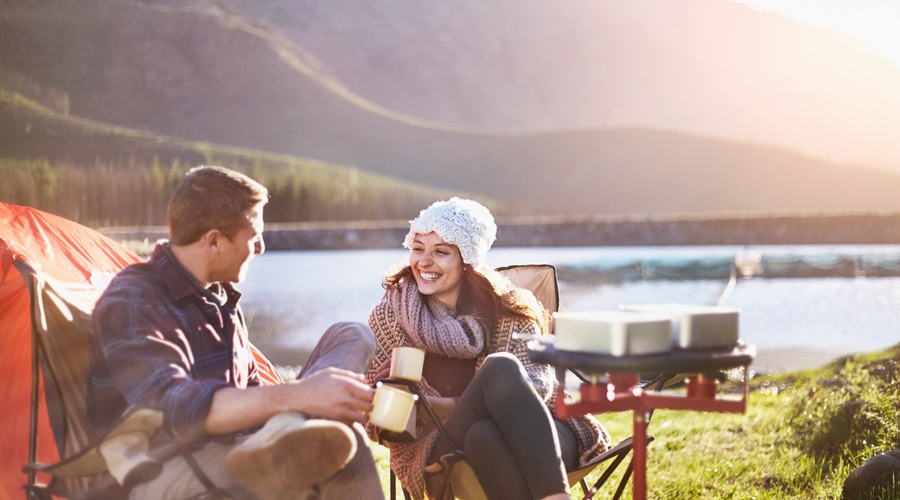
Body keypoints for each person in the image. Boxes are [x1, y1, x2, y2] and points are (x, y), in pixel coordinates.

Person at [88, 166, 384, 499]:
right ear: (213, 241)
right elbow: (173, 407)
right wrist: (302, 395)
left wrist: (323, 399)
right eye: (254, 236)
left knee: (351, 334)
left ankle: (285, 435)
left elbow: (251, 391)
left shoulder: (219, 296)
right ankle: (285, 440)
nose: (260, 248)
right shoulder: (135, 299)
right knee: (344, 447)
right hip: (162, 465)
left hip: (239, 445)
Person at [365, 197, 611, 500]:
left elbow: (536, 386)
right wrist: (383, 393)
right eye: (418, 248)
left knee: (485, 428)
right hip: (441, 444)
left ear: (467, 261)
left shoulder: (509, 309)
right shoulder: (391, 318)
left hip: (540, 431)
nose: (423, 262)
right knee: (499, 374)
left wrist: (440, 405)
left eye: (441, 252)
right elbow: (380, 426)